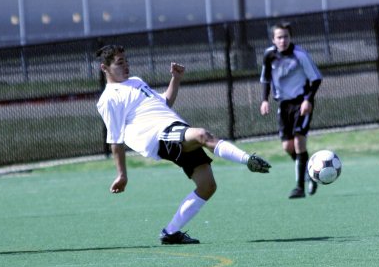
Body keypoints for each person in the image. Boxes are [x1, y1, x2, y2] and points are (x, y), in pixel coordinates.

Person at [96, 44, 271, 245]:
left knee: (207, 186)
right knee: (202, 135)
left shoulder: (135, 82)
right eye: (120, 63)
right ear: (105, 68)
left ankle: (170, 232)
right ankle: (248, 159)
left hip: (174, 129)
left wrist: (176, 79)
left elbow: (164, 103)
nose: (126, 66)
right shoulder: (109, 98)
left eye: (126, 61)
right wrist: (122, 174)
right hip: (159, 136)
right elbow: (115, 140)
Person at [259, 22, 322, 199]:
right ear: (273, 39)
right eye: (279, 37)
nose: (283, 40)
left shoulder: (300, 55)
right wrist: (264, 100)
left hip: (301, 103)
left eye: (286, 36)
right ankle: (310, 172)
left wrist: (308, 100)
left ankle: (299, 187)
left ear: (290, 37)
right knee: (287, 146)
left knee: (299, 141)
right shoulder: (269, 55)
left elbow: (316, 79)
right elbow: (265, 79)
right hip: (284, 105)